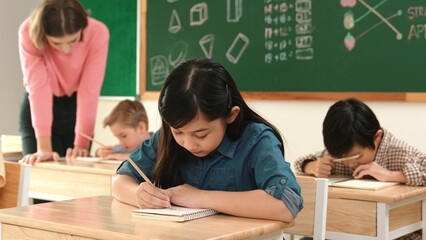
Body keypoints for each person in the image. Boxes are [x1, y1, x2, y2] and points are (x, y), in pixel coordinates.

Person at [112, 58, 303, 222]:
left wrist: (200, 197)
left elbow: (286, 204)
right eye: (178, 132)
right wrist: (139, 195)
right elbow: (119, 182)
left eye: (201, 134)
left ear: (231, 115)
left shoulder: (257, 139)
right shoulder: (167, 137)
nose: (188, 144)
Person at [294, 98, 426, 239]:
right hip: (351, 230)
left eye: (357, 157)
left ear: (377, 137)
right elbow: (299, 163)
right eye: (344, 159)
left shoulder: (399, 151)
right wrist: (311, 166)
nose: (350, 164)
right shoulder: (340, 154)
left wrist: (391, 175)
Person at [18, 0, 109, 164]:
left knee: (75, 175)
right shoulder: (28, 32)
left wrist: (82, 143)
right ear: (44, 36)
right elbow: (39, 89)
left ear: (82, 28)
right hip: (38, 106)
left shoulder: (98, 32)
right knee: (36, 173)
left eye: (73, 41)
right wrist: (44, 148)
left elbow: (89, 90)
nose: (66, 50)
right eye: (56, 43)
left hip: (76, 107)